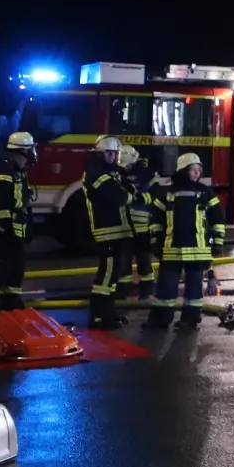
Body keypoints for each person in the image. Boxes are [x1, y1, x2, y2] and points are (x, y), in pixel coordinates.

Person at [145, 153, 225, 331]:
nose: (197, 173)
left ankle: (190, 320)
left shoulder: (206, 192)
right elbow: (155, 220)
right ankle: (160, 320)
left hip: (196, 251)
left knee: (194, 290)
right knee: (166, 288)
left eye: (199, 170)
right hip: (172, 249)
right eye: (192, 170)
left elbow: (218, 218)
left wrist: (218, 242)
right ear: (183, 170)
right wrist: (155, 241)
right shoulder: (166, 192)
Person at [85, 135, 135, 329]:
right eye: (109, 153)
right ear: (99, 154)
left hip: (117, 230)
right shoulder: (97, 174)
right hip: (107, 231)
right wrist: (131, 194)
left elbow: (125, 189)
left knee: (112, 276)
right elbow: (120, 196)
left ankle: (108, 312)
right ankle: (99, 315)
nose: (113, 157)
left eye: (115, 153)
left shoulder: (109, 172)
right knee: (106, 277)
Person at [0, 132, 35, 310]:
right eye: (29, 151)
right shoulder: (3, 171)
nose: (31, 156)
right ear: (19, 152)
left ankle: (11, 299)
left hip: (16, 226)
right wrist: (5, 227)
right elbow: (1, 200)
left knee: (16, 265)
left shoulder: (17, 171)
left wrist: (29, 223)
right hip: (2, 229)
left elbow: (22, 201)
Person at [119, 145, 159, 302]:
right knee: (123, 265)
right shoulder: (117, 174)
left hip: (143, 228)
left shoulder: (147, 174)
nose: (126, 167)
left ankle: (146, 293)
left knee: (144, 263)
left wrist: (141, 198)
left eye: (128, 164)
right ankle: (122, 294)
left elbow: (156, 194)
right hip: (124, 228)